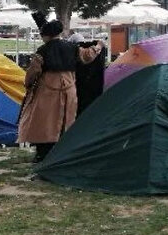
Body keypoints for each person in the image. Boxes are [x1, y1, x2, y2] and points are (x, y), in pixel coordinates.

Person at [18, 13, 104, 162]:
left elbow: (33, 72)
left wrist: (28, 83)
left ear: (46, 35)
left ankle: (43, 154)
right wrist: (98, 46)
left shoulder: (42, 51)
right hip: (69, 89)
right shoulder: (73, 47)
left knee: (44, 123)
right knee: (65, 123)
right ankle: (62, 153)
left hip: (47, 90)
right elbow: (88, 56)